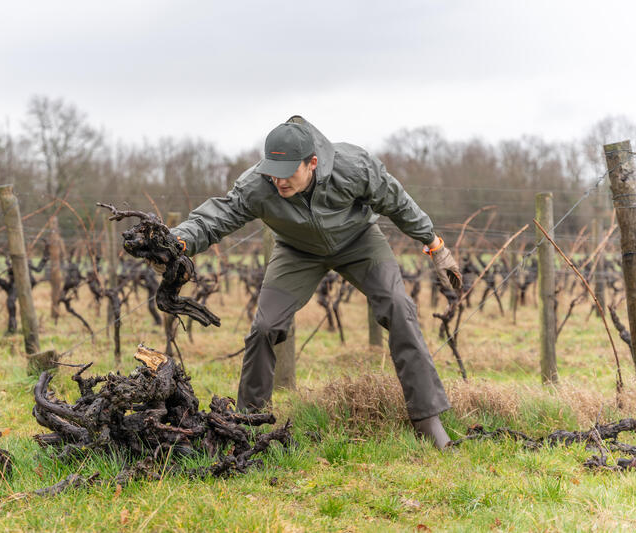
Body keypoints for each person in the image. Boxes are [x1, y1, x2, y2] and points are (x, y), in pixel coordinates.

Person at [170, 116, 461, 449]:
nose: (278, 182)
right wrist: (177, 240)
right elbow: (217, 216)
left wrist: (433, 244)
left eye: (288, 172)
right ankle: (248, 426)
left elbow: (396, 201)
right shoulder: (257, 185)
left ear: (312, 163)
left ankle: (428, 422)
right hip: (297, 251)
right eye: (272, 172)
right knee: (265, 327)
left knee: (398, 307)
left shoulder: (353, 167)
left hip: (359, 241)